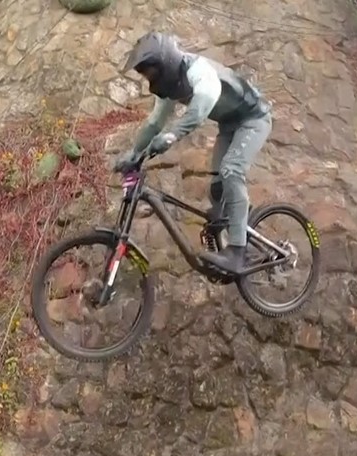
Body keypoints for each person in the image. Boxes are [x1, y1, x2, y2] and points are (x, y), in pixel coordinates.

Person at [114, 31, 272, 274]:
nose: (147, 78)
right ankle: (238, 227)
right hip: (229, 126)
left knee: (231, 170)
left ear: (164, 62)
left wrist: (172, 135)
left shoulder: (197, 70)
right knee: (217, 189)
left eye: (149, 72)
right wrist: (134, 154)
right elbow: (154, 124)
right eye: (144, 74)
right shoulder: (171, 87)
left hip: (254, 119)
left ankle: (237, 251)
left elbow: (202, 106)